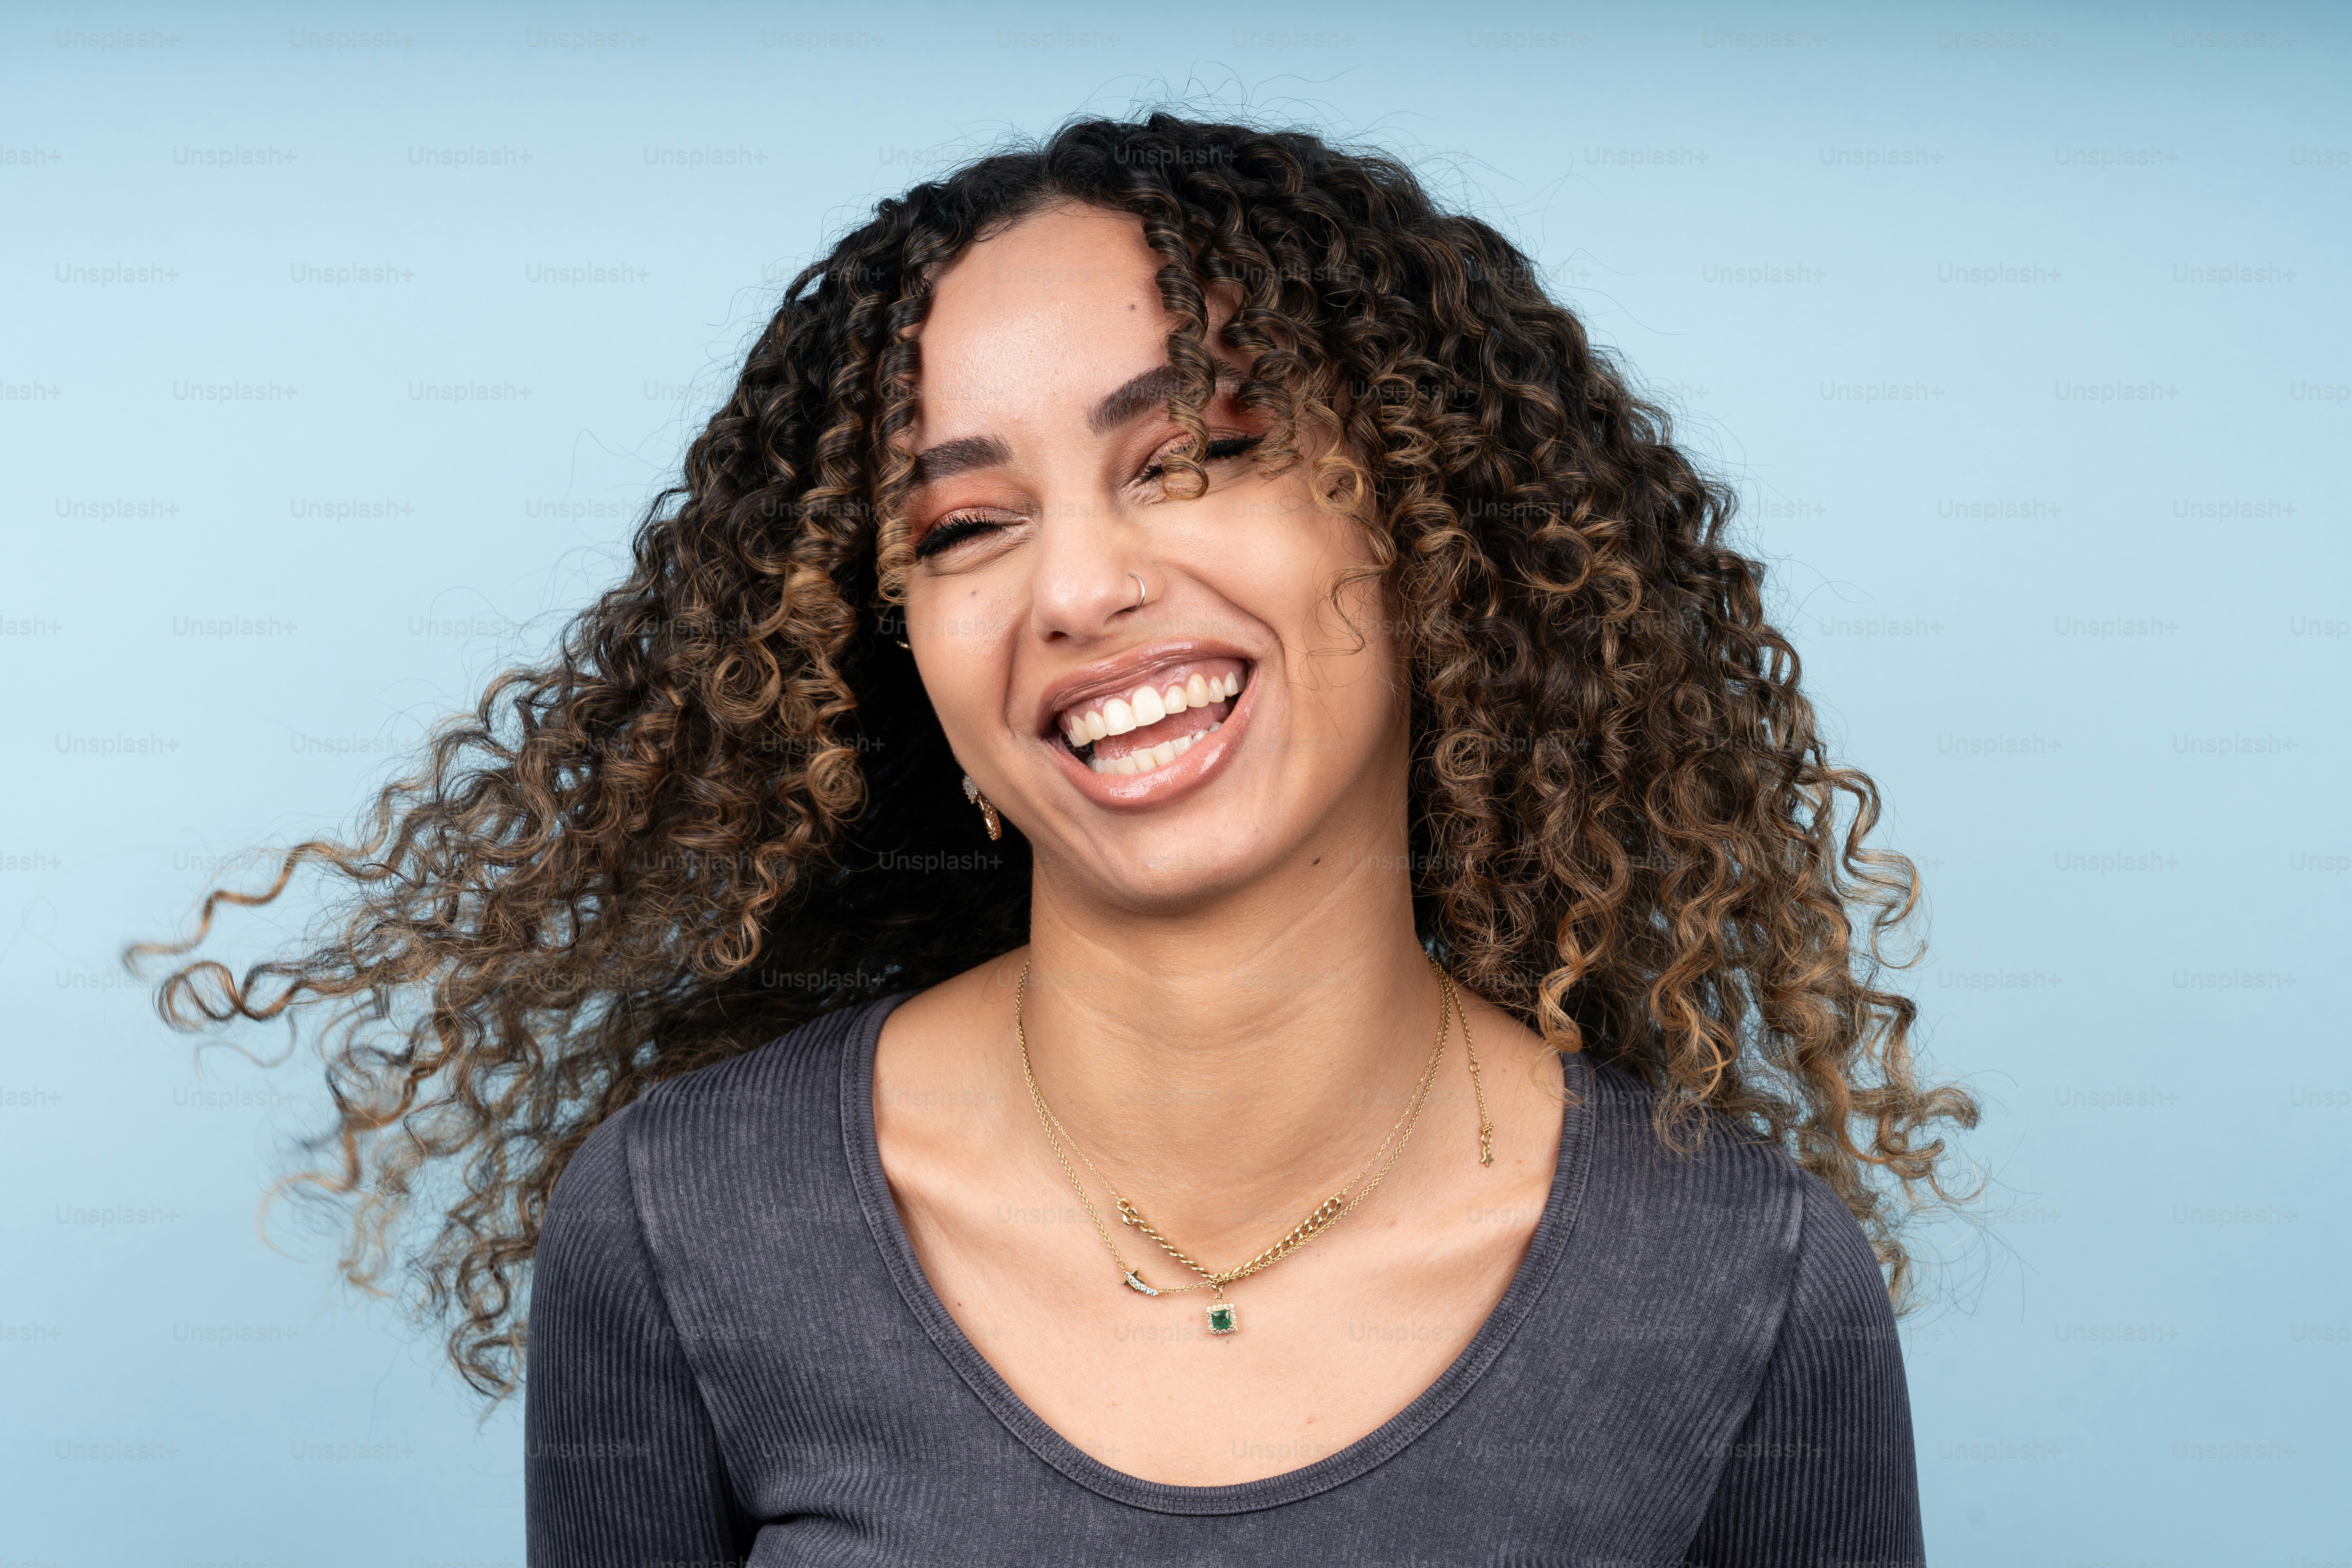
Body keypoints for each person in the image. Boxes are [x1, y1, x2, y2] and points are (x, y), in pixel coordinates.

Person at [142, 111, 1976, 1565]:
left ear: (1432, 517)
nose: (1085, 585)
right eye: (961, 529)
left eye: (1193, 455)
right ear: (891, 654)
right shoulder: (686, 1223)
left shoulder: (1744, 1282)